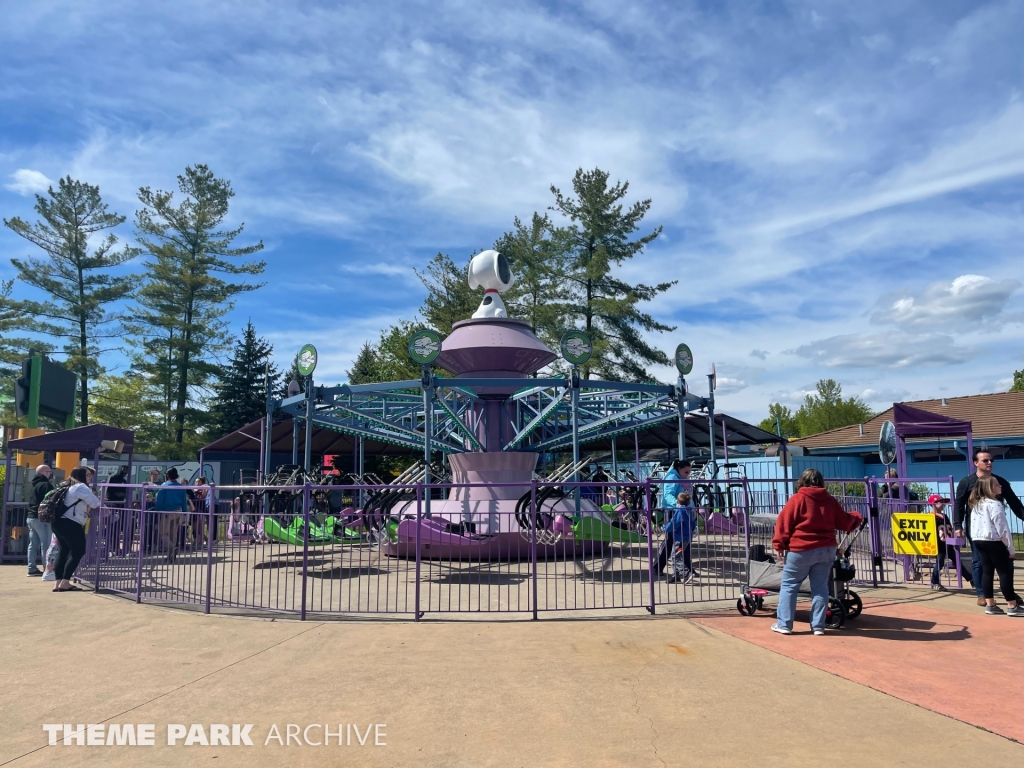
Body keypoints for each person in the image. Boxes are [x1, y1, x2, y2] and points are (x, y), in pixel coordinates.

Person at [771, 468, 863, 636]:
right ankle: (818, 626)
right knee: (820, 588)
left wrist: (779, 545)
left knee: (790, 586)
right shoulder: (829, 501)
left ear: (801, 482)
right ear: (821, 482)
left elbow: (783, 523)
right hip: (826, 549)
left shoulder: (797, 499)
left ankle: (784, 624)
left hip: (800, 550)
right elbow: (845, 521)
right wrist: (857, 516)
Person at [953, 449, 1024, 606]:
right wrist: (957, 525)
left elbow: (1014, 503)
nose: (989, 463)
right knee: (979, 562)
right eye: (985, 460)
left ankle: (1009, 593)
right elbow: (958, 505)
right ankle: (982, 594)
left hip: (997, 532)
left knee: (1006, 563)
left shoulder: (999, 482)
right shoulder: (967, 482)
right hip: (977, 531)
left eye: (991, 460)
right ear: (976, 463)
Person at [967, 477, 1023, 617]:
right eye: (997, 485)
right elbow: (1002, 528)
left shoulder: (976, 504)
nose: (1000, 487)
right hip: (994, 540)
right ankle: (1012, 605)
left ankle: (990, 605)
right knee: (1004, 572)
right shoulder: (995, 504)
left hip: (979, 540)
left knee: (987, 572)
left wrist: (975, 539)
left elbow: (972, 525)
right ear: (990, 488)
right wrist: (1010, 548)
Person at [51, 467, 101, 593]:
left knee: (63, 551)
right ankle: (65, 582)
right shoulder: (81, 487)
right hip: (71, 523)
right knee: (78, 551)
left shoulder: (66, 486)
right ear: (81, 475)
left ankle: (58, 583)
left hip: (58, 522)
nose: (90, 477)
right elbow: (95, 503)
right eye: (88, 475)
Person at [926, 494, 972, 591]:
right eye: (940, 502)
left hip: (948, 543)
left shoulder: (944, 516)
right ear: (933, 504)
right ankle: (934, 582)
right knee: (940, 563)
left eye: (943, 502)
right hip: (939, 545)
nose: (943, 504)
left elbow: (949, 528)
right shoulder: (930, 517)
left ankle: (970, 578)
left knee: (957, 561)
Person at [154, 468, 190, 562]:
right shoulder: (181, 486)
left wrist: (157, 510)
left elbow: (159, 500)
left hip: (167, 512)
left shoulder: (164, 486)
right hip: (178, 511)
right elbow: (184, 501)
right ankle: (171, 556)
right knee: (172, 533)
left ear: (167, 475)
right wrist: (185, 513)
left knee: (162, 533)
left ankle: (171, 548)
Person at [26, 464, 54, 576]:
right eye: (49, 471)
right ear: (45, 472)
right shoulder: (46, 485)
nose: (50, 474)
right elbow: (51, 502)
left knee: (33, 544)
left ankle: (31, 568)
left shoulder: (33, 484)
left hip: (31, 517)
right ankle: (47, 569)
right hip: (42, 518)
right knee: (46, 544)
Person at [664, 492, 696, 584]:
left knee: (675, 556)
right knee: (676, 554)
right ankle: (676, 576)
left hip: (680, 538)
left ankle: (686, 573)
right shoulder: (689, 511)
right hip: (686, 537)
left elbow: (674, 523)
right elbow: (693, 524)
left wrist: (665, 528)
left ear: (678, 502)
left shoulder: (680, 511)